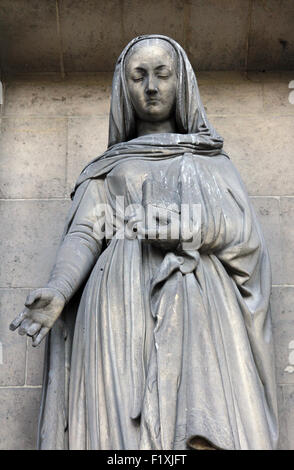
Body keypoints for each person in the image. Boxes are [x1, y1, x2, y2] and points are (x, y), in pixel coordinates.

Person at [10, 35, 278, 450]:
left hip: (198, 305)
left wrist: (182, 227)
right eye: (138, 76)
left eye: (161, 74)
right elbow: (85, 232)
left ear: (181, 82)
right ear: (124, 88)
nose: (151, 87)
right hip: (117, 305)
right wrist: (60, 290)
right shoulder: (109, 167)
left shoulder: (211, 161)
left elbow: (245, 239)